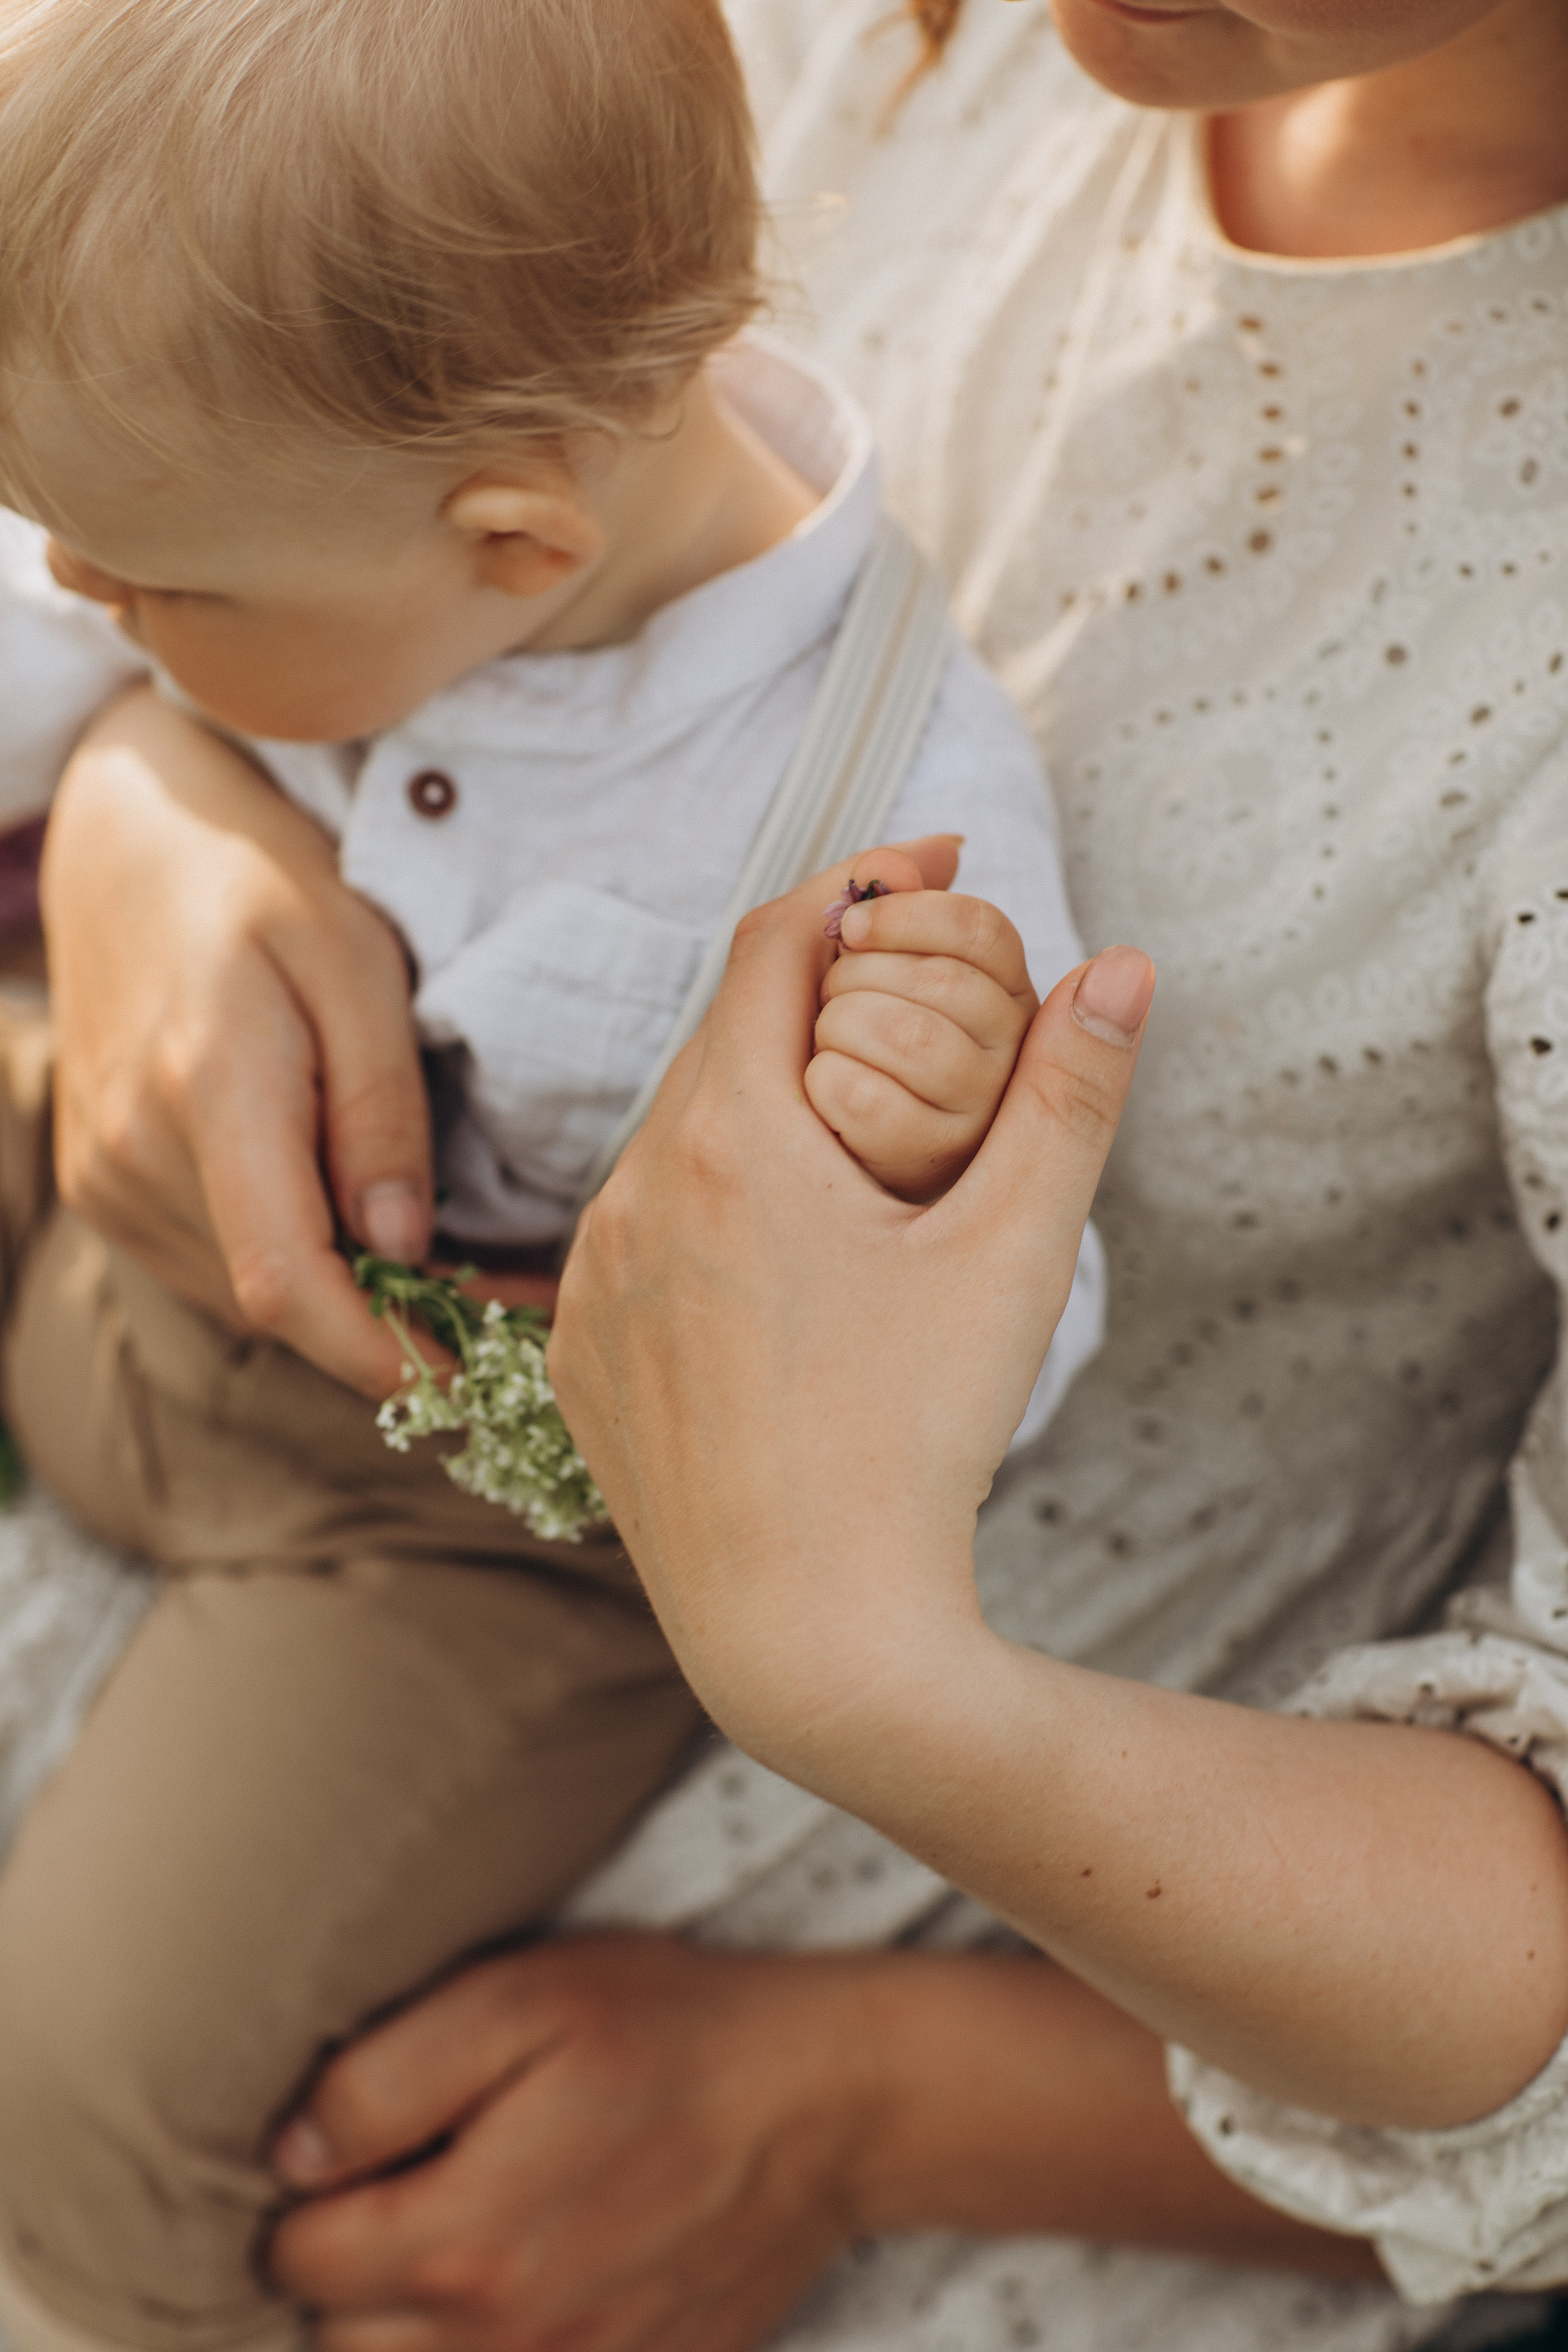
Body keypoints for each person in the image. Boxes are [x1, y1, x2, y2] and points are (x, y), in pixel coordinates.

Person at [20, 0, 1568, 2350]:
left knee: (89, 2120)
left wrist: (862, 2091)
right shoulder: (628, 71)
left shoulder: (914, 831)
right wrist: (160, 811)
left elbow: (939, 1340)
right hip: (179, 1369)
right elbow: (213, 464)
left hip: (623, 1755)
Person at [0, 1, 1105, 2346]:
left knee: (85, 2080)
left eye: (151, 593)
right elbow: (58, 628)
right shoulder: (300, 485)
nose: (96, 607)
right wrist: (114, 774)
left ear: (513, 541)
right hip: (124, 1223)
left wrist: (915, 1155)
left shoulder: (880, 831)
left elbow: (986, 1378)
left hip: (447, 1536)